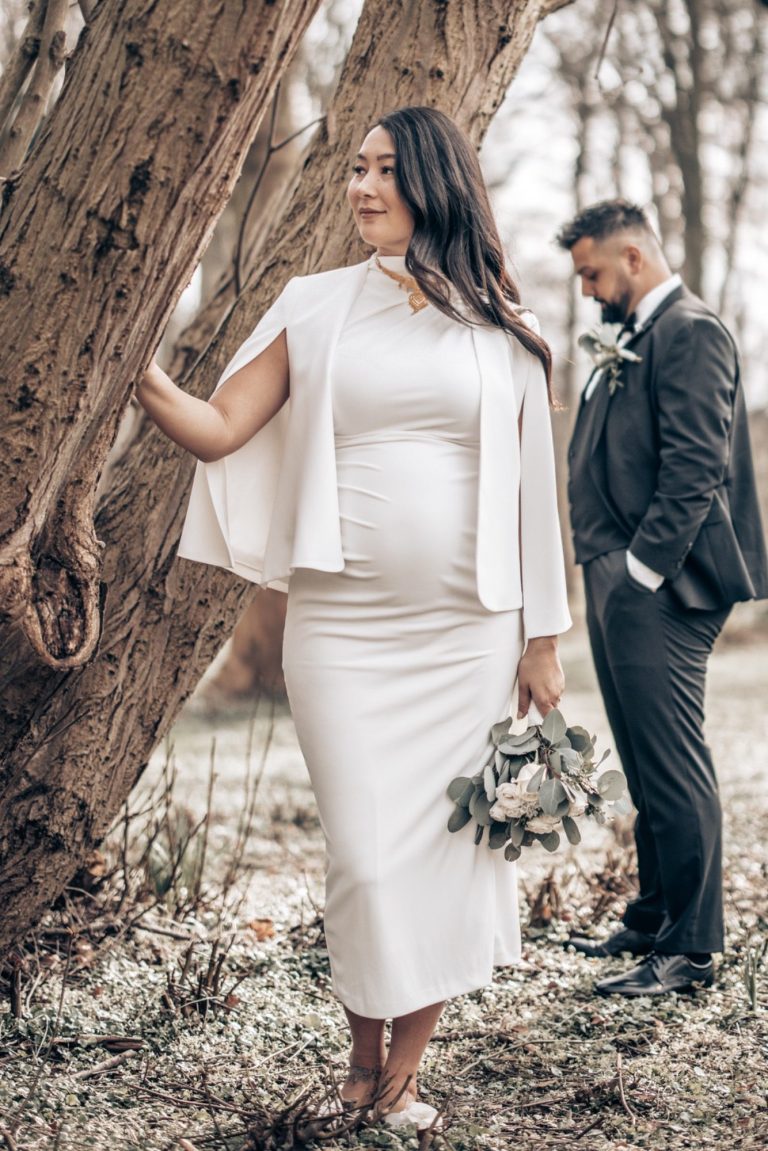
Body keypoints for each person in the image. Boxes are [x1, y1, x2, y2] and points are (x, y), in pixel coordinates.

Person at [138, 106, 571, 1129]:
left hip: (469, 633)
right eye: (357, 168)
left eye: (386, 169)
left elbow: (533, 496)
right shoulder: (316, 305)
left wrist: (543, 640)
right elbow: (219, 429)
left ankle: (391, 1077)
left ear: (434, 183)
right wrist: (135, 370)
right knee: (367, 857)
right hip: (341, 630)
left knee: (442, 855)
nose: (363, 186)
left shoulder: (503, 327)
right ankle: (363, 1051)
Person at [557, 199, 768, 998]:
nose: (585, 290)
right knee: (645, 759)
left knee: (674, 762)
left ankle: (691, 949)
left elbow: (695, 468)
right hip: (618, 575)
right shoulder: (632, 336)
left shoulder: (692, 331)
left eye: (592, 273)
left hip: (665, 582)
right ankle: (651, 916)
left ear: (634, 259)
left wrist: (642, 571)